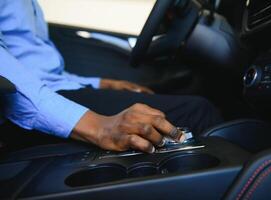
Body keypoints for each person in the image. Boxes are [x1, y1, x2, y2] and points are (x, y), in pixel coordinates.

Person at [0, 0, 222, 153]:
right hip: (24, 108)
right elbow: (7, 75)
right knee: (198, 111)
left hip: (51, 88)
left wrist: (100, 83)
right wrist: (99, 127)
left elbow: (36, 69)